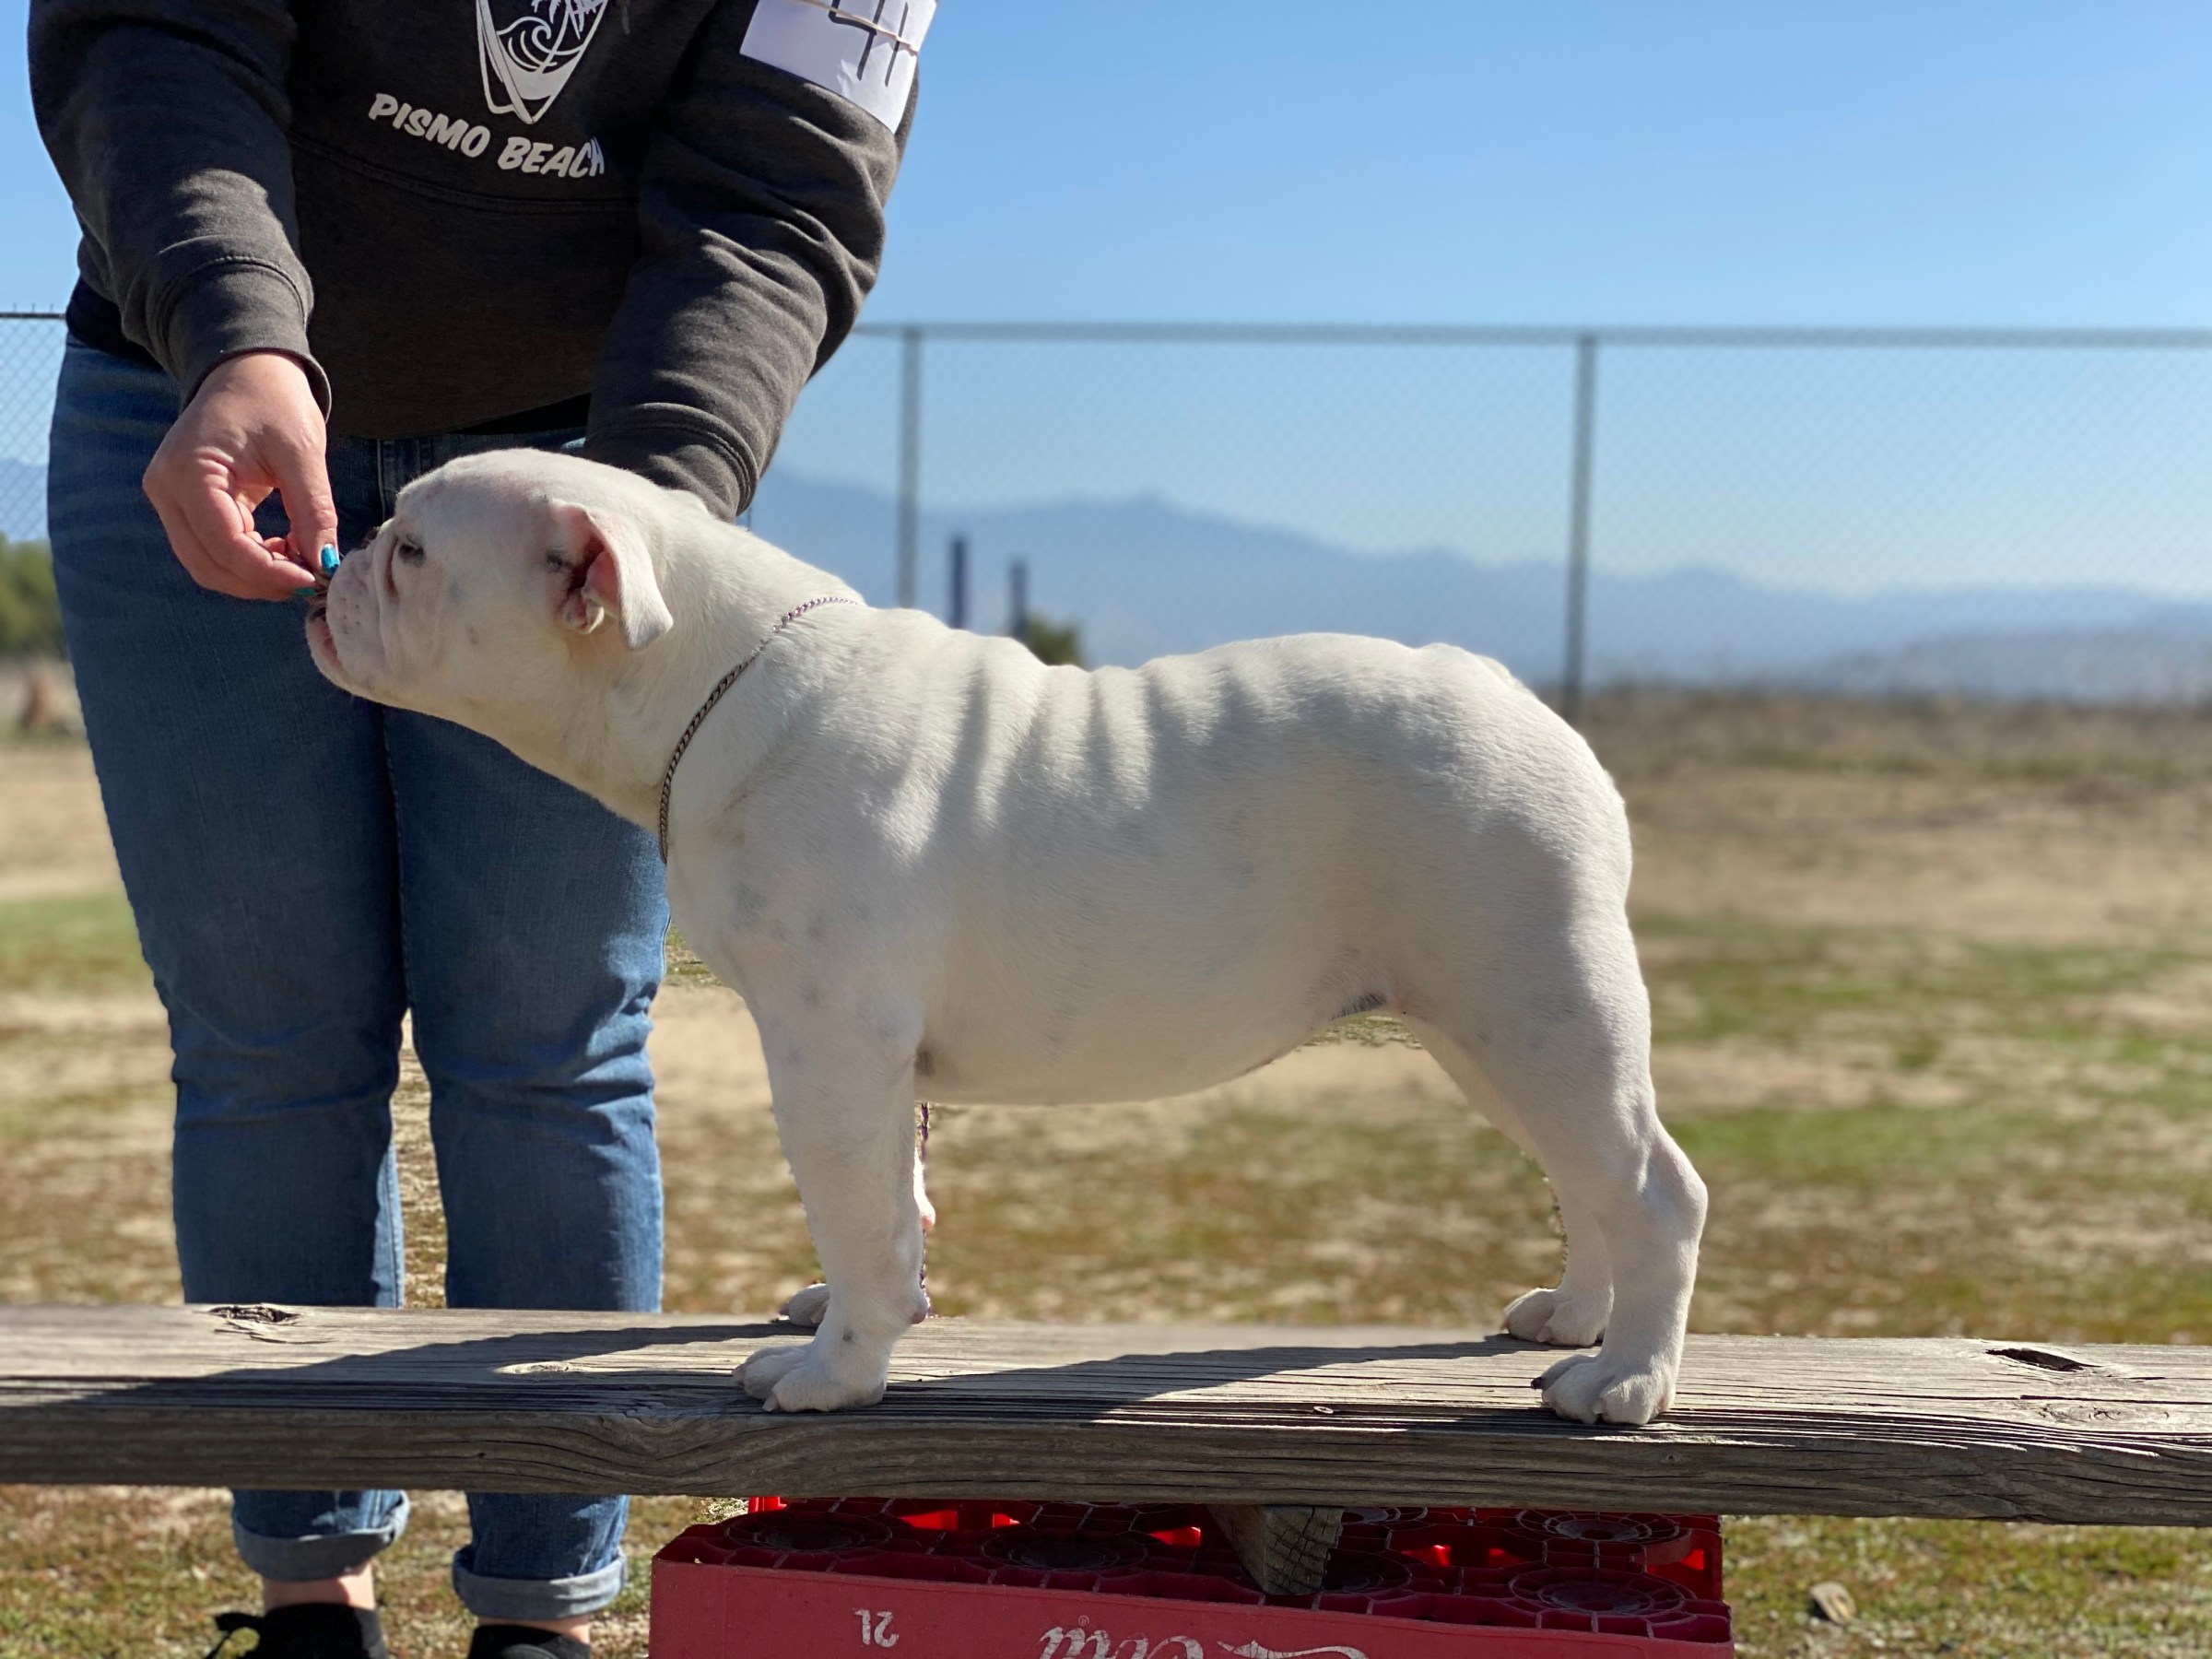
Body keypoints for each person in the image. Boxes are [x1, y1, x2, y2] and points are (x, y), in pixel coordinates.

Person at [30, 2, 928, 1654]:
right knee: (266, 1038)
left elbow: (780, 184)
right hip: (194, 391)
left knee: (547, 1042)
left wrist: (638, 513)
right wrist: (236, 331)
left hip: (574, 471)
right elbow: (154, 30)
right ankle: (309, 1602)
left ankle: (542, 1616)